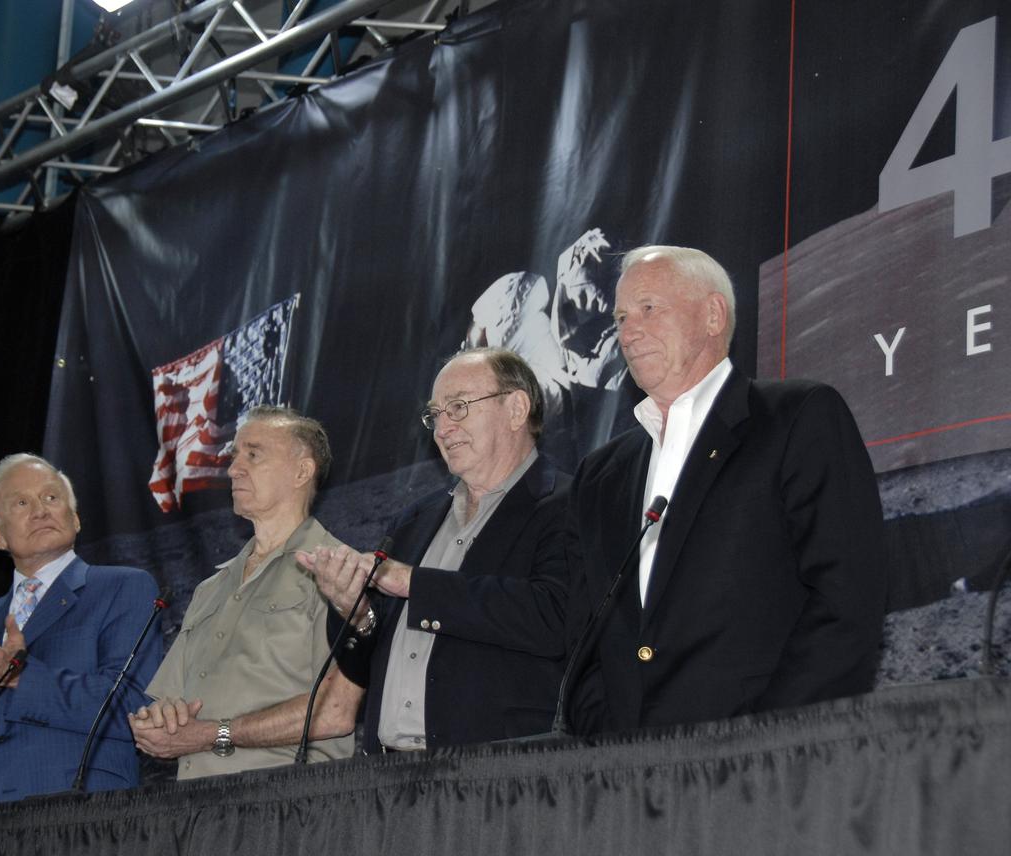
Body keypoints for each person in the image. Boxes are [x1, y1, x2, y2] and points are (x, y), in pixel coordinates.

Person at [565, 245, 886, 733]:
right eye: (622, 317)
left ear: (713, 315)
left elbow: (846, 601)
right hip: (625, 767)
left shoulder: (796, 418)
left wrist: (764, 743)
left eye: (649, 308)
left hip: (766, 759)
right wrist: (607, 736)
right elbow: (583, 635)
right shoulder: (600, 474)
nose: (627, 333)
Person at [301, 348, 570, 752]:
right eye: (434, 415)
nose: (442, 429)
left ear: (516, 409)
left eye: (458, 407)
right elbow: (363, 669)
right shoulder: (414, 521)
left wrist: (414, 583)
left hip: (500, 771)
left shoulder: (569, 503)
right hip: (386, 773)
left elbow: (555, 618)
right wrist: (355, 613)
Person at [0, 453, 163, 806]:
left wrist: (16, 675)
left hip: (83, 815)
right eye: (22, 503)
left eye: (51, 497)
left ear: (75, 518)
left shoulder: (123, 588)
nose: (40, 510)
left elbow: (134, 708)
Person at [131, 406, 362, 778]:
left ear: (302, 472)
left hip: (288, 802)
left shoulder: (343, 573)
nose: (233, 469)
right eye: (234, 456)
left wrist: (213, 734)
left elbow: (334, 713)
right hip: (194, 803)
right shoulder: (210, 589)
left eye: (253, 455)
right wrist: (161, 720)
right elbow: (173, 707)